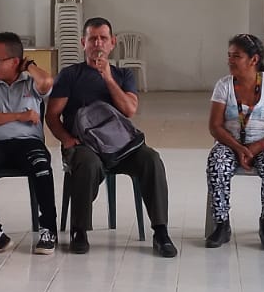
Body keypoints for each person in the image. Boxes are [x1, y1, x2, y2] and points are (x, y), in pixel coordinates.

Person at [47, 17, 176, 258]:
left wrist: (107, 77)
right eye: (92, 39)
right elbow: (52, 115)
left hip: (120, 146)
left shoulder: (123, 75)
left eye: (103, 38)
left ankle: (161, 232)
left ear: (112, 42)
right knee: (87, 163)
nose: (98, 43)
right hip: (83, 145)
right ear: (83, 42)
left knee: (151, 159)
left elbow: (129, 109)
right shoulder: (69, 75)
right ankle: (79, 230)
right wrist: (66, 138)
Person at [0, 32, 56, 254]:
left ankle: (48, 229)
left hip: (29, 143)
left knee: (41, 166)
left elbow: (46, 82)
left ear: (15, 61)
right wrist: (20, 116)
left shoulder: (31, 83)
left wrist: (29, 65)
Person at [205, 34, 264, 251]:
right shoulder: (224, 86)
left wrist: (257, 147)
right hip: (231, 144)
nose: (230, 60)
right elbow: (215, 126)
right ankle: (221, 223)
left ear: (254, 60)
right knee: (217, 163)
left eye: (236, 56)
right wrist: (239, 148)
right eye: (229, 55)